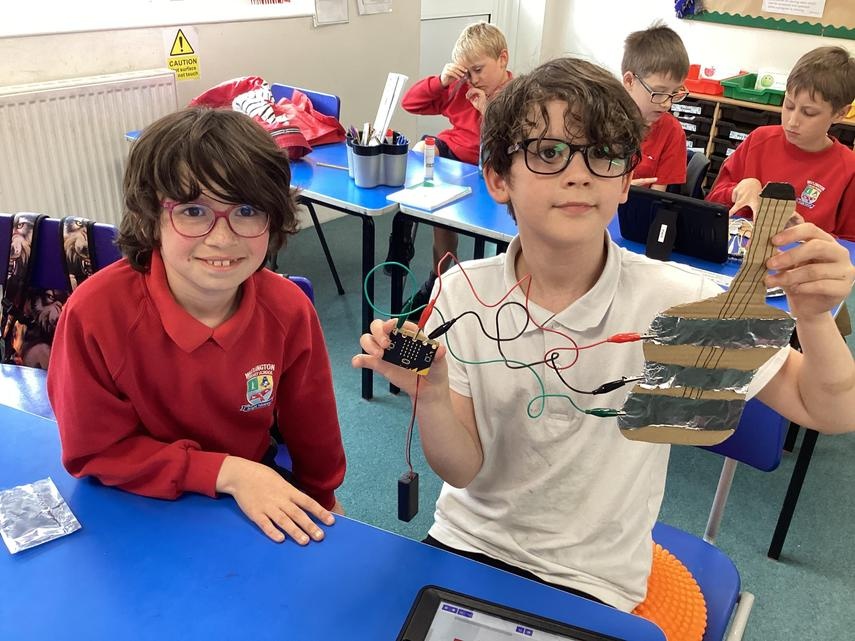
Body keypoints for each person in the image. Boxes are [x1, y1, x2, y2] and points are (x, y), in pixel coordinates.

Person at [354, 57, 855, 612]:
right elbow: (463, 469)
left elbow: (830, 409)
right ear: (497, 177)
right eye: (548, 152)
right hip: (469, 544)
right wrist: (429, 397)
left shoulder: (677, 302)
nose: (580, 173)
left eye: (604, 154)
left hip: (592, 577)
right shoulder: (464, 292)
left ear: (624, 182)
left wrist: (815, 319)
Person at [47, 108, 346, 545]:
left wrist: (323, 498)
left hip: (243, 506)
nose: (222, 238)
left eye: (247, 210)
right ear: (150, 217)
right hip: (131, 502)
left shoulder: (289, 310)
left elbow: (314, 430)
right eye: (192, 210)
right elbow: (94, 451)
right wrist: (227, 471)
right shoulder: (94, 314)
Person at [397, 21, 512, 314]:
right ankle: (427, 268)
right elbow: (411, 103)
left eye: (479, 70)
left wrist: (488, 111)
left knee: (495, 222)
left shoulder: (517, 95)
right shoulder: (461, 88)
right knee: (422, 151)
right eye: (467, 72)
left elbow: (512, 140)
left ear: (502, 59)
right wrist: (442, 81)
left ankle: (492, 291)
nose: (473, 80)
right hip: (453, 158)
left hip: (494, 164)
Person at [707, 46, 855, 241]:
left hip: (802, 258)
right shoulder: (759, 140)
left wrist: (808, 235)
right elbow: (711, 203)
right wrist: (735, 192)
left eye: (809, 113)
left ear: (840, 113)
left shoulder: (848, 169)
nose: (792, 121)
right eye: (789, 105)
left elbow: (850, 245)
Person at [621, 23, 691, 191]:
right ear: (629, 81)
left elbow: (657, 196)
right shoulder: (601, 120)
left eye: (675, 92)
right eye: (658, 92)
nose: (667, 103)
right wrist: (617, 190)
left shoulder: (672, 131)